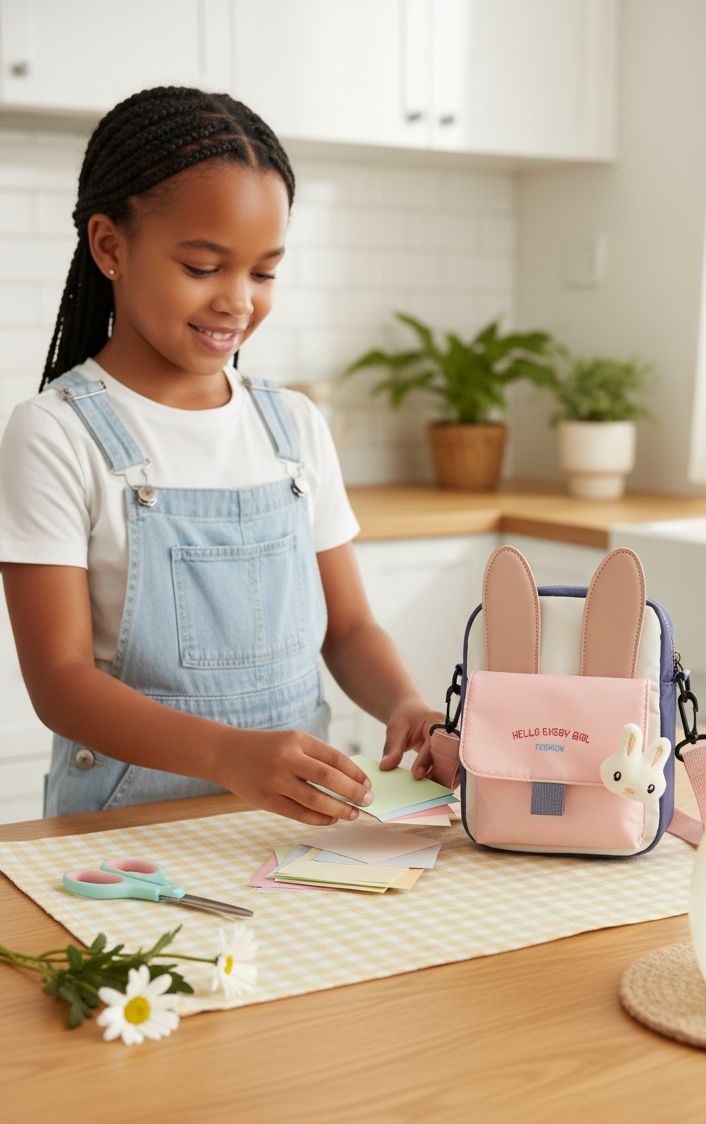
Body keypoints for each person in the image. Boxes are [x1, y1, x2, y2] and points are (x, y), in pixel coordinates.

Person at [0, 85, 442, 823]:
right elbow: (61, 682)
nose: (239, 302)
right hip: (119, 835)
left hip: (286, 829)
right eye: (204, 268)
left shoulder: (292, 426)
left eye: (263, 272)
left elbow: (349, 627)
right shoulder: (55, 434)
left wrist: (408, 703)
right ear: (110, 245)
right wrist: (227, 754)